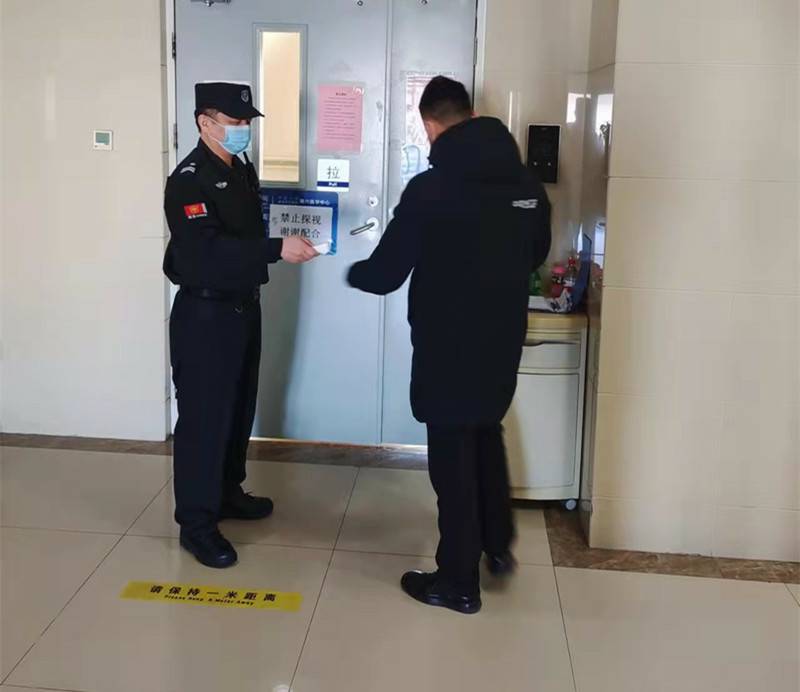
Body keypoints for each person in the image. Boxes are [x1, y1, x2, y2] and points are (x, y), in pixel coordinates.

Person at [347, 76, 551, 614]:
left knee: (452, 456)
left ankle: (458, 581)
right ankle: (496, 547)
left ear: (430, 126)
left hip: (446, 345)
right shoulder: (527, 185)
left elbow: (386, 273)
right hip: (501, 340)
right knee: (485, 430)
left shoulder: (431, 189)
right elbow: (535, 253)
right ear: (472, 115)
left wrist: (351, 272)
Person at [163, 82, 317, 568]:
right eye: (235, 122)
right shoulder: (188, 180)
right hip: (205, 315)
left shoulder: (240, 169)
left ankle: (228, 492)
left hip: (242, 308)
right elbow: (206, 250)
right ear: (205, 123)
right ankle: (197, 524)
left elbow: (245, 233)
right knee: (204, 420)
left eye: (248, 121)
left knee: (236, 410)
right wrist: (276, 248)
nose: (243, 129)